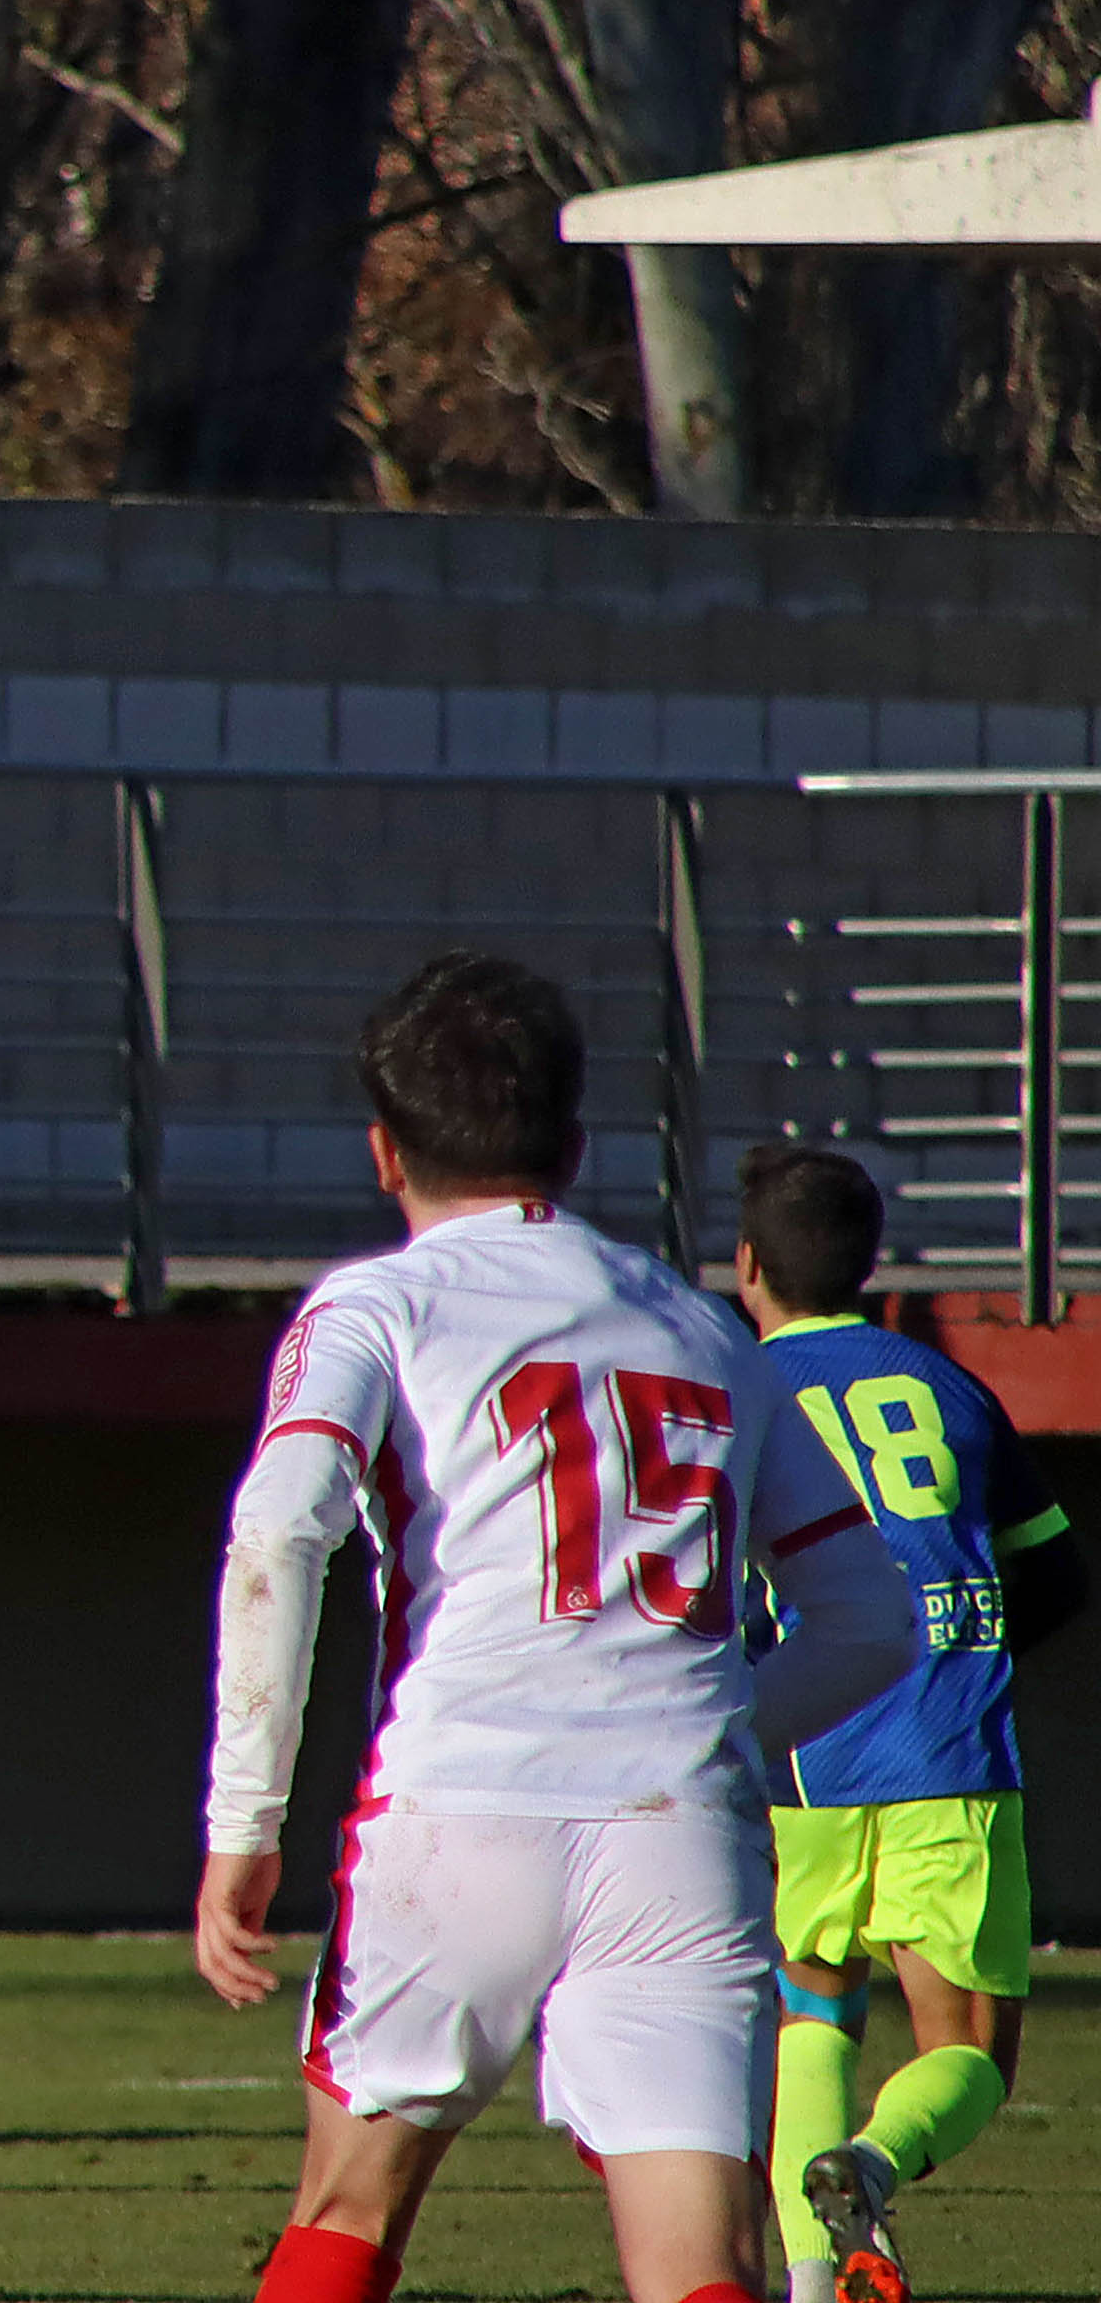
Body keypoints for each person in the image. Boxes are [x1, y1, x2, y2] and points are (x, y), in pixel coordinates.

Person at [193, 954, 918, 2303]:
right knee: (702, 2264)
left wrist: (245, 1827)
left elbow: (283, 1527)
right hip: (677, 1834)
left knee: (346, 2214)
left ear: (382, 1152)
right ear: (575, 1148)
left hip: (455, 1805)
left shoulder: (377, 1306)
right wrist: (711, 1729)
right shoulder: (707, 1329)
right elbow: (873, 1618)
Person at [734, 1144, 1087, 2303]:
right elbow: (1057, 1575)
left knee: (812, 2016)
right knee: (969, 2055)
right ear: (873, 1267)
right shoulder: (944, 1385)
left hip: (802, 1758)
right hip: (945, 1751)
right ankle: (875, 2166)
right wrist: (961, 1645)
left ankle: (804, 2275)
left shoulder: (737, 1392)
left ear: (747, 1265)